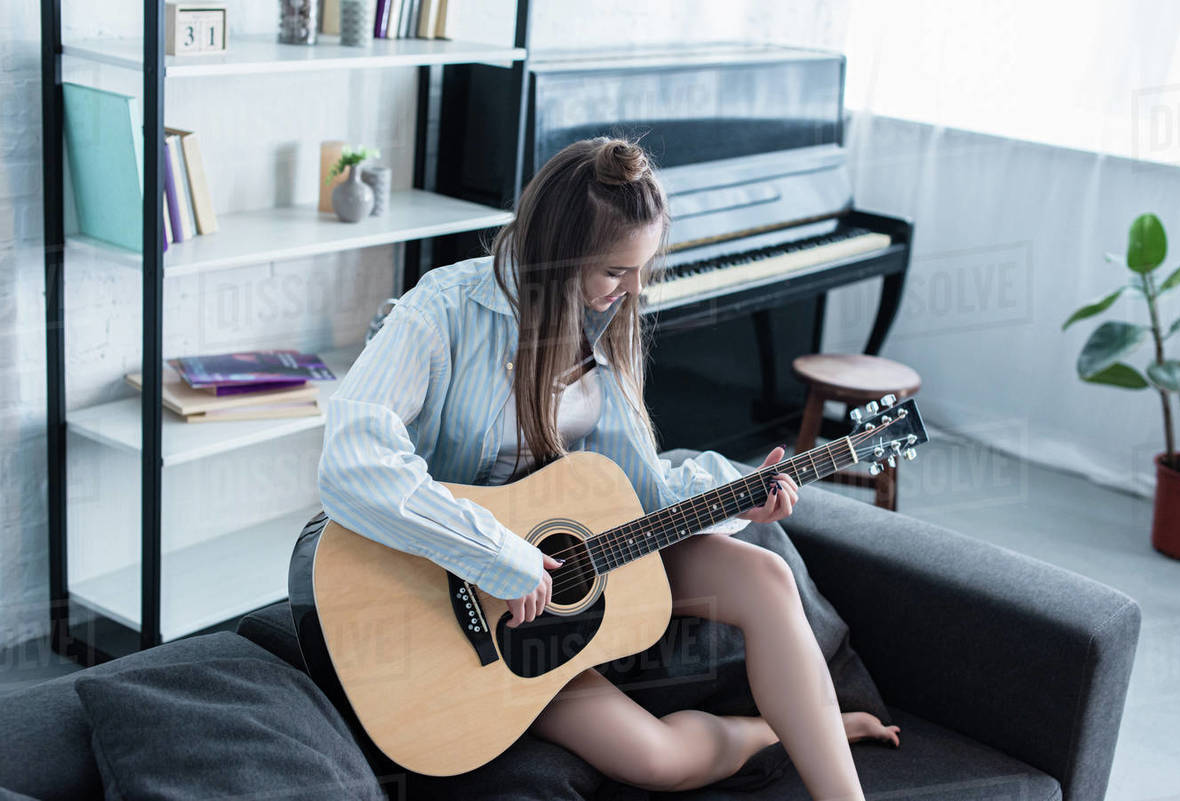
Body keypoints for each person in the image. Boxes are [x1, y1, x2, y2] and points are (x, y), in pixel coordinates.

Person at [317, 136, 898, 800]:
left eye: (641, 268)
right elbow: (350, 459)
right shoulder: (440, 311)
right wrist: (493, 552)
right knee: (657, 759)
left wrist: (739, 494)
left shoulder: (606, 332)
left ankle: (827, 759)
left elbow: (642, 493)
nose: (632, 289)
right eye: (616, 270)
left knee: (764, 573)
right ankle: (776, 730)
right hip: (456, 610)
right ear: (554, 252)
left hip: (571, 574)